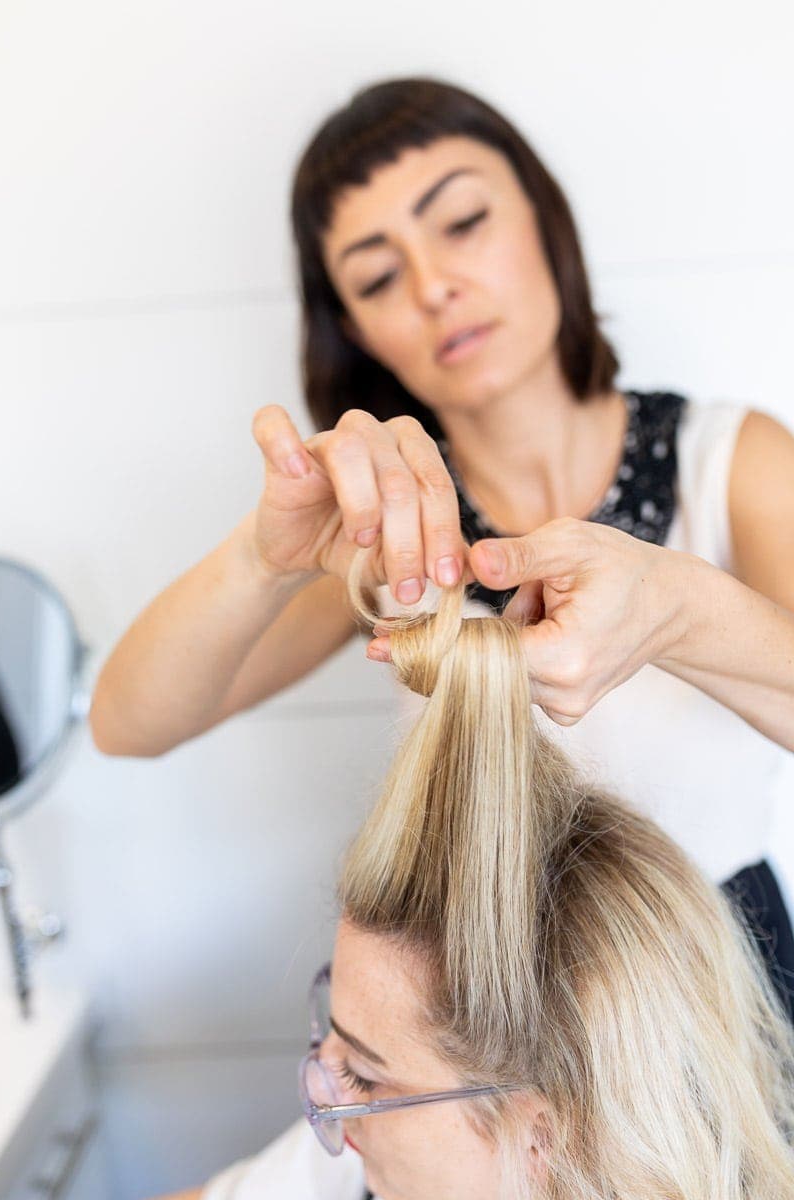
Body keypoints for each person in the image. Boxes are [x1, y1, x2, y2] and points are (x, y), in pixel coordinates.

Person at [90, 75, 794, 985]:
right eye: (379, 276)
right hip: (496, 1006)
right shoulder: (387, 532)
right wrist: (263, 559)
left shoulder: (730, 459)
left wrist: (676, 610)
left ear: (544, 219)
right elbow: (125, 724)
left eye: (462, 222)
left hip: (728, 981)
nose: (434, 287)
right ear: (358, 332)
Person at [155, 572, 794, 1199]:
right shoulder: (361, 1161)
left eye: (363, 1076)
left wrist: (673, 604)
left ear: (542, 1139)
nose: (327, 1108)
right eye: (336, 1047)